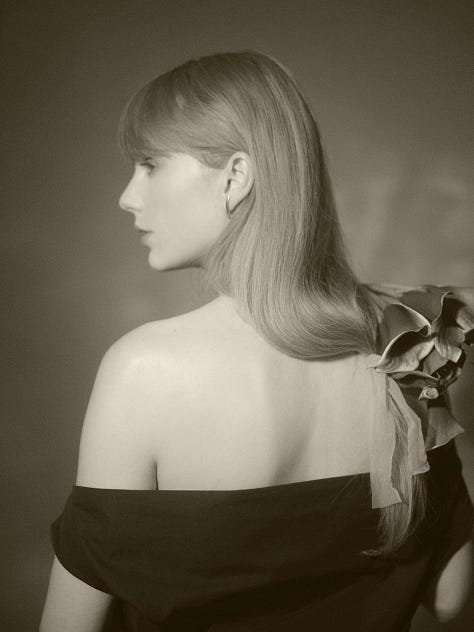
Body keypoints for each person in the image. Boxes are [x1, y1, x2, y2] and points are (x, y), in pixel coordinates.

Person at [40, 50, 473, 632]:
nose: (128, 196)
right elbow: (448, 599)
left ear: (236, 176)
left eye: (149, 164)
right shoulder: (406, 344)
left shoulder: (144, 369)